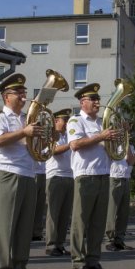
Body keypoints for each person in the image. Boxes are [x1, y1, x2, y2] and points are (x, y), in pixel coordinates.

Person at [0, 74, 42, 269]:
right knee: (6, 225)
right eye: (18, 93)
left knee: (24, 226)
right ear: (6, 97)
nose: (23, 96)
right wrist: (23, 132)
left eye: (23, 92)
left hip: (28, 173)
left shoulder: (27, 119)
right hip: (7, 173)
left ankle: (20, 268)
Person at [68, 83, 119, 269]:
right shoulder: (75, 121)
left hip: (103, 173)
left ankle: (93, 261)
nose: (98, 103)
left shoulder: (101, 123)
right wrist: (101, 136)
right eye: (93, 100)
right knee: (81, 221)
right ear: (82, 102)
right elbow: (75, 144)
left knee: (98, 222)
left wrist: (115, 139)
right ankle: (78, 262)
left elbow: (109, 148)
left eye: (98, 99)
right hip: (85, 174)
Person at [44, 108, 74, 256]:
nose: (67, 123)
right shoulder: (51, 135)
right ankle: (51, 244)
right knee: (54, 213)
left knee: (65, 214)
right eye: (65, 121)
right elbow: (53, 150)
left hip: (69, 176)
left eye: (68, 121)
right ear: (56, 121)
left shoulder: (69, 135)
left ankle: (60, 244)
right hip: (55, 176)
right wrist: (71, 145)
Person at [105, 140, 135, 252]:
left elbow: (131, 161)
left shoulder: (130, 145)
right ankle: (110, 240)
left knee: (124, 212)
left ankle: (119, 239)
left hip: (126, 178)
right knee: (112, 211)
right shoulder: (112, 144)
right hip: (114, 178)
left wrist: (126, 144)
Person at [32, 160, 47, 241]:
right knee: (30, 206)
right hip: (33, 172)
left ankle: (37, 232)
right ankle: (27, 232)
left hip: (45, 172)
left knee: (40, 206)